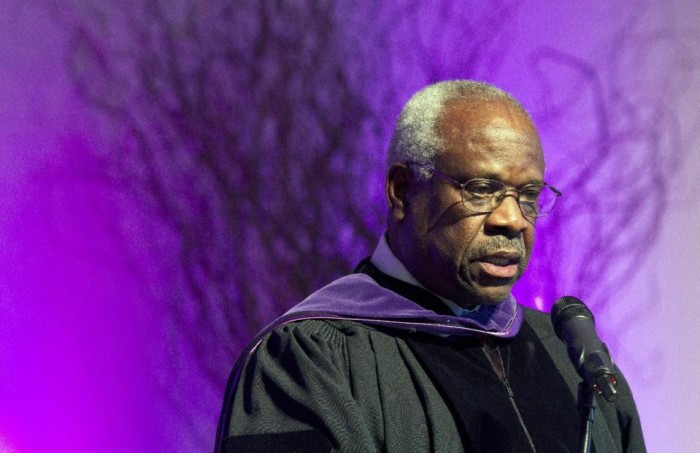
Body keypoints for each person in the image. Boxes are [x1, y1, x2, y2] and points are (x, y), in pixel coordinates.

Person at [215, 80, 645, 452]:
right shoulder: (307, 361)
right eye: (481, 189)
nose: (512, 220)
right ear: (402, 191)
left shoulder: (573, 359)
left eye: (528, 195)